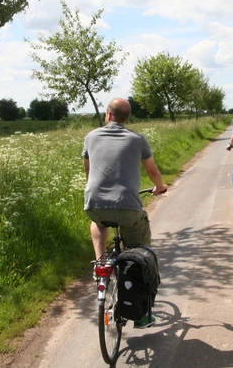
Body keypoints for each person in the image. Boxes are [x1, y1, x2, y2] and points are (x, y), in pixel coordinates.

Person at [83, 97, 167, 328]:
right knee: (140, 253)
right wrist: (159, 186)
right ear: (127, 118)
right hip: (128, 208)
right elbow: (152, 168)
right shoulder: (136, 139)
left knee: (98, 222)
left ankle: (100, 264)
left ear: (108, 115)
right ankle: (140, 316)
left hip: (95, 203)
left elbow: (88, 171)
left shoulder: (91, 137)